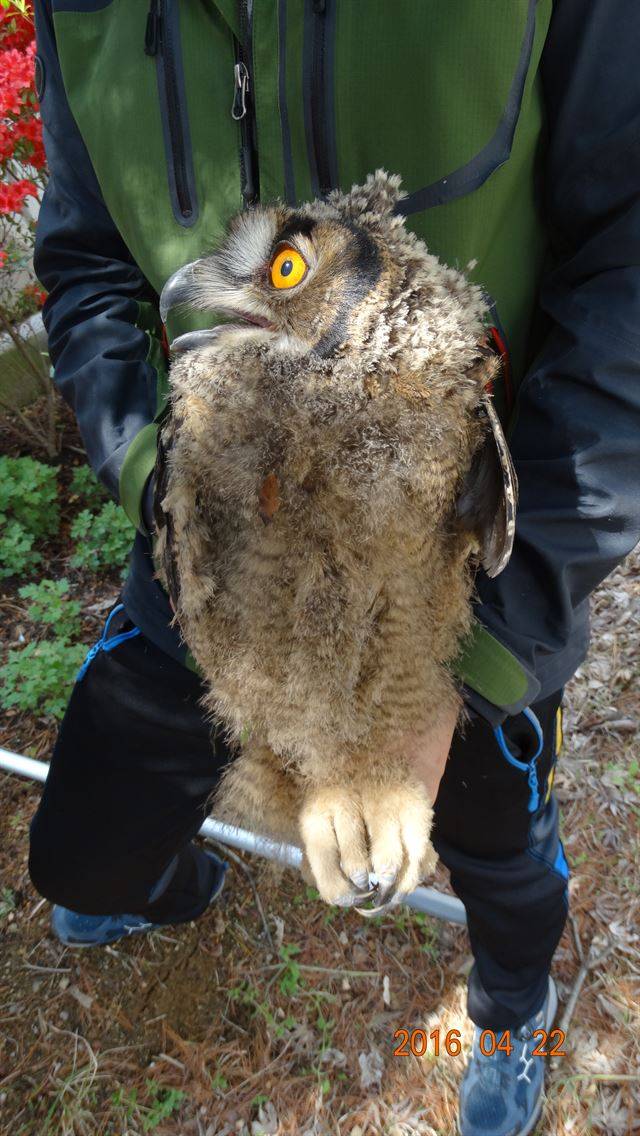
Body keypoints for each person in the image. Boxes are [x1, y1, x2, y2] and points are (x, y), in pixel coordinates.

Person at [26, 2, 640, 1134]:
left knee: (500, 857)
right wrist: (163, 489)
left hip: (467, 566)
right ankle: (148, 883)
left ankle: (515, 1009)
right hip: (206, 540)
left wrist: (464, 667)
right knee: (82, 850)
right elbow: (87, 262)